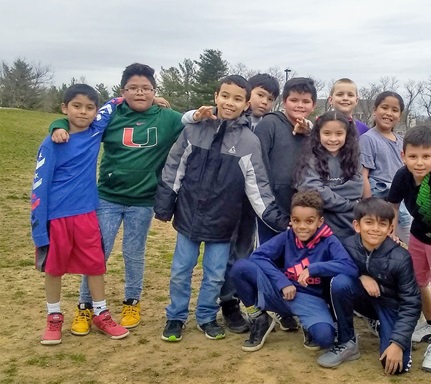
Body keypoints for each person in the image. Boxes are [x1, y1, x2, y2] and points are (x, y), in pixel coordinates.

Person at [49, 63, 184, 331]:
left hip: (143, 200)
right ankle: (85, 307)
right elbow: (77, 117)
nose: (140, 93)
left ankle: (131, 302)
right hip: (107, 197)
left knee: (134, 253)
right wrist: (56, 125)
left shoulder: (167, 118)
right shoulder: (109, 116)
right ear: (123, 92)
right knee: (97, 252)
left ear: (155, 90)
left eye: (146, 88)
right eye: (133, 88)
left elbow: (193, 121)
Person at [154, 75, 288, 342]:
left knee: (215, 275)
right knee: (181, 269)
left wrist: (279, 219)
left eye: (238, 99)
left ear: (246, 103)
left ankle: (206, 317)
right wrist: (166, 201)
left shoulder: (250, 142)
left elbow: (258, 187)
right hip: (189, 216)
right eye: (225, 96)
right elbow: (174, 166)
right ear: (216, 96)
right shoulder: (194, 128)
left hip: (224, 221)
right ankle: (176, 317)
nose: (230, 102)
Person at [32, 84, 129, 344]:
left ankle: (101, 313)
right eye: (76, 106)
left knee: (95, 265)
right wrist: (39, 228)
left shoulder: (95, 131)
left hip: (87, 214)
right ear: (64, 108)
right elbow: (39, 186)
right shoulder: (52, 143)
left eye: (89, 108)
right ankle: (53, 318)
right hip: (56, 217)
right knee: (54, 268)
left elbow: (111, 106)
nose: (83, 112)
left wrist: (128, 96)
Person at [230, 190, 358, 353]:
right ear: (291, 220)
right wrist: (282, 282)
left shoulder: (329, 241)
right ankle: (259, 319)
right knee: (240, 268)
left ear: (320, 221)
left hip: (310, 299)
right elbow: (258, 255)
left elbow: (349, 267)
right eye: (296, 221)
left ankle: (307, 325)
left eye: (309, 221)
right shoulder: (287, 236)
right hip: (281, 292)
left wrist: (315, 268)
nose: (302, 227)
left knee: (325, 338)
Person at [324, 198, 421, 373]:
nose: (375, 229)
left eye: (382, 224)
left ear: (391, 228)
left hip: (391, 306)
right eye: (369, 223)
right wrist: (361, 275)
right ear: (357, 225)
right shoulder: (348, 245)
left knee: (396, 368)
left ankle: (388, 328)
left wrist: (398, 342)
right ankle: (347, 342)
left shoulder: (401, 258)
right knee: (340, 282)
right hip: (365, 301)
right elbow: (333, 267)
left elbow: (411, 302)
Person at [387, 126, 431, 372]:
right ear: (403, 156)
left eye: (426, 157)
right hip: (417, 234)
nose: (419, 162)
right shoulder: (402, 175)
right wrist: (390, 233)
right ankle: (430, 322)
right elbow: (392, 206)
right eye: (413, 157)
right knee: (416, 281)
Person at [255, 77, 317, 244]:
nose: (300, 105)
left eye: (306, 101)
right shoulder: (269, 125)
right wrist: (273, 214)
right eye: (294, 100)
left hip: (301, 215)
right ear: (284, 102)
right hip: (271, 213)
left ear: (314, 105)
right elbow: (257, 170)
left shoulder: (314, 134)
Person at [295, 110, 366, 239]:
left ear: (347, 134)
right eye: (327, 133)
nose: (333, 139)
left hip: (348, 224)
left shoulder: (354, 157)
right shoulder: (312, 157)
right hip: (322, 226)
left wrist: (327, 190)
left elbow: (356, 190)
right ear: (318, 134)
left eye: (339, 134)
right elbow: (312, 190)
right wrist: (348, 204)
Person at [359, 91, 411, 243]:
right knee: (398, 240)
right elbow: (364, 175)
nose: (389, 113)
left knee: (414, 240)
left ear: (400, 115)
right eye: (384, 108)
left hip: (403, 199)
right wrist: (369, 207)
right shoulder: (368, 139)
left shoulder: (402, 141)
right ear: (374, 110)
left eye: (394, 110)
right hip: (382, 199)